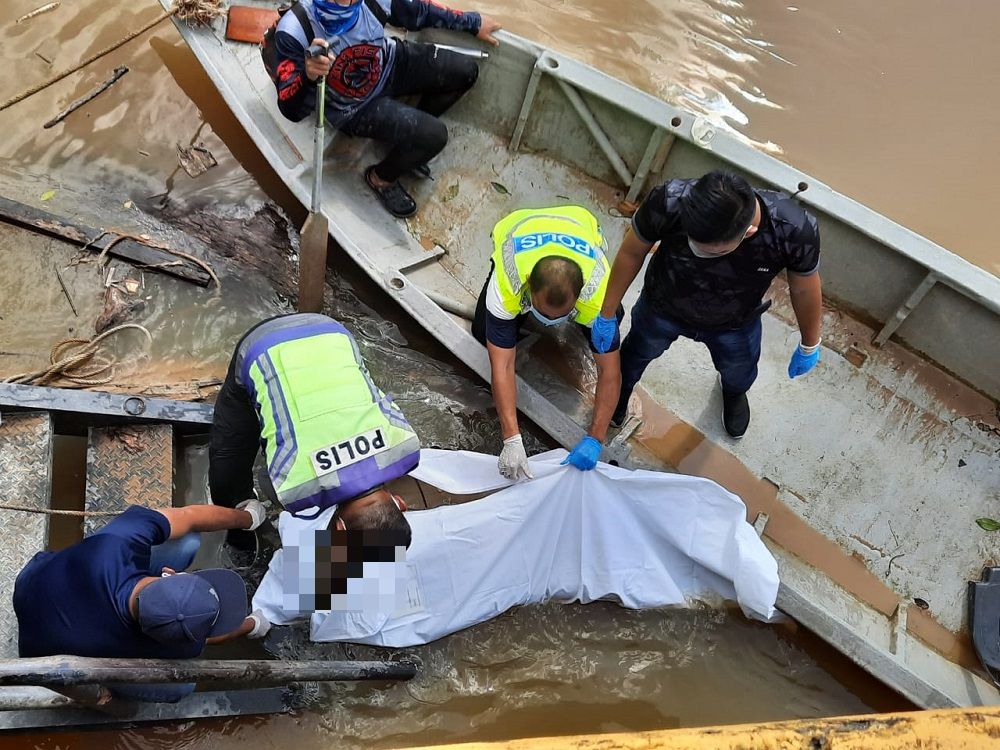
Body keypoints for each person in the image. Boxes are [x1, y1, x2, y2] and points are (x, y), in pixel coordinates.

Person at [591, 170, 823, 439]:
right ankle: (623, 390)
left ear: (747, 233)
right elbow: (632, 251)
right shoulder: (669, 200)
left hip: (735, 322)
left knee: (739, 371)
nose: (695, 251)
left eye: (710, 251)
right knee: (633, 356)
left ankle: (734, 393)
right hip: (662, 305)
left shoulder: (793, 230)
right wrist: (607, 313)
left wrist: (810, 343)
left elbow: (804, 288)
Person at [209, 313, 418, 559]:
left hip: (330, 333)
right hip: (262, 346)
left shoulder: (407, 446)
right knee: (226, 463)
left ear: (400, 502)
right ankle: (239, 533)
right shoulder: (293, 489)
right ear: (339, 528)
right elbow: (267, 475)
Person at [12, 501, 266, 703]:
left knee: (186, 540)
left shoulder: (117, 545)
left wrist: (247, 518)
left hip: (32, 584)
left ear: (168, 573)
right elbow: (209, 637)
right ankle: (112, 695)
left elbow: (189, 515)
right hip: (43, 659)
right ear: (167, 571)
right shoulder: (175, 650)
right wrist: (253, 623)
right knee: (181, 686)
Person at [272, 0, 502, 218]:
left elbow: (419, 12)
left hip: (390, 62)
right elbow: (289, 108)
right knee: (435, 136)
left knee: (465, 71)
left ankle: (412, 137)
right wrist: (308, 74)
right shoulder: (294, 29)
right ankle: (380, 178)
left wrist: (473, 23)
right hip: (353, 108)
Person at [471, 206, 623, 479]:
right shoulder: (509, 283)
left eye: (560, 315)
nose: (549, 320)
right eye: (542, 311)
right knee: (483, 331)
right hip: (518, 223)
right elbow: (502, 366)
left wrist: (595, 439)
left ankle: (574, 319)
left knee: (609, 326)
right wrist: (511, 439)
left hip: (579, 221)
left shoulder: (598, 297)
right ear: (529, 285)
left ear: (580, 295)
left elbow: (610, 372)